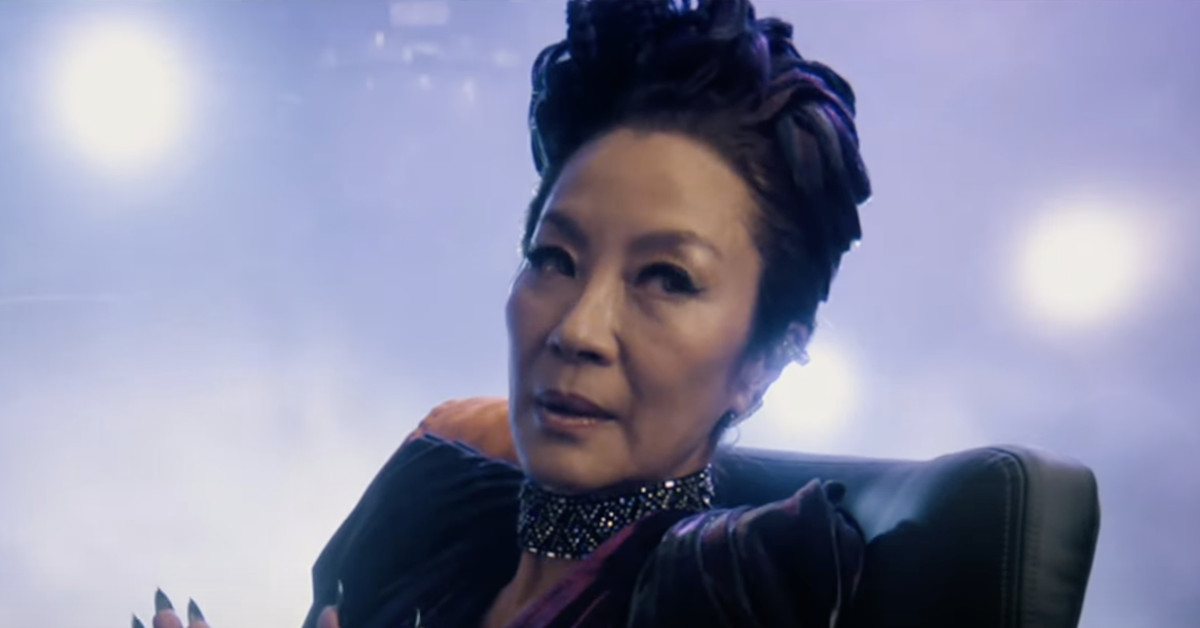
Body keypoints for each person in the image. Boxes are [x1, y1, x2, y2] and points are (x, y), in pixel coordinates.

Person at [139, 0, 872, 626]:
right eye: (555, 258)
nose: (577, 330)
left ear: (765, 359)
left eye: (667, 278)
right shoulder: (426, 503)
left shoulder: (736, 584)